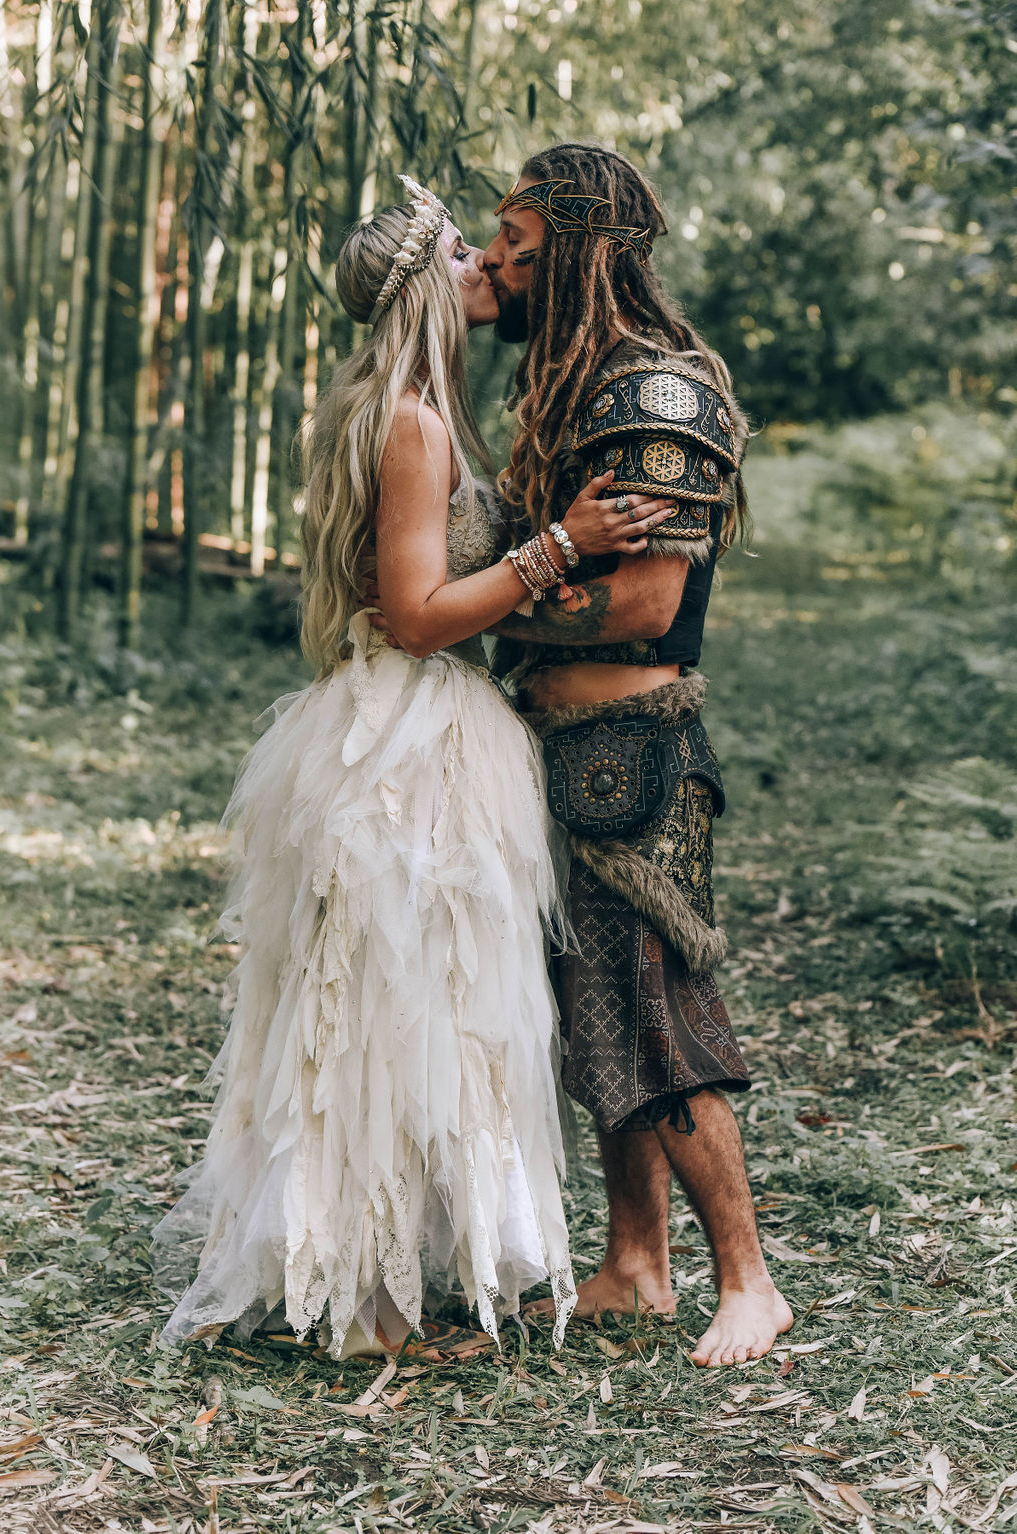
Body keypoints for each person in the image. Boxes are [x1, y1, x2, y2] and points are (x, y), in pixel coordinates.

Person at [151, 176, 675, 1361]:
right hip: (404, 735)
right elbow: (419, 612)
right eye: (462, 254)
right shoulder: (411, 424)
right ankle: (369, 1304)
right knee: (392, 1006)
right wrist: (563, 545)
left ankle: (384, 1278)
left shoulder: (420, 411)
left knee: (419, 1003)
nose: (488, 264)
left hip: (419, 723)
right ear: (422, 290)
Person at [481, 144, 794, 1367]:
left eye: (516, 245)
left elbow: (647, 604)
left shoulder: (656, 394)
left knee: (660, 1013)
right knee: (594, 1009)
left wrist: (497, 596)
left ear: (576, 253)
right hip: (564, 743)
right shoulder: (576, 385)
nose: (497, 264)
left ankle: (748, 1279)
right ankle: (635, 1262)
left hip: (636, 752)